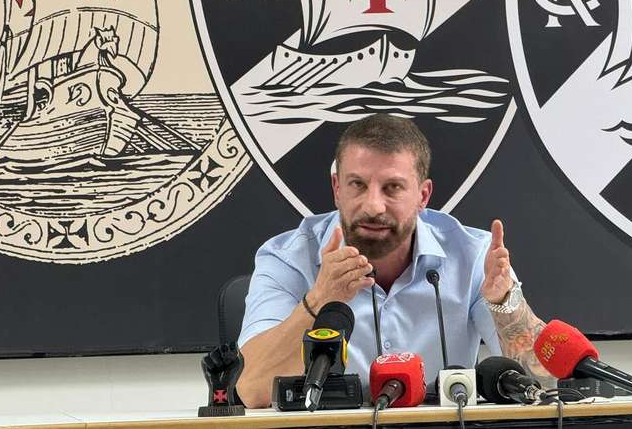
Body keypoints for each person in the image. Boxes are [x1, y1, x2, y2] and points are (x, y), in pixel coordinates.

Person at [236, 114, 551, 408]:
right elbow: (251, 389)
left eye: (393, 187)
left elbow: (542, 383)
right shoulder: (286, 259)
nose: (373, 206)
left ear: (423, 196)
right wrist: (320, 299)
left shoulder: (472, 256)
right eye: (357, 184)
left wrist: (504, 304)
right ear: (336, 189)